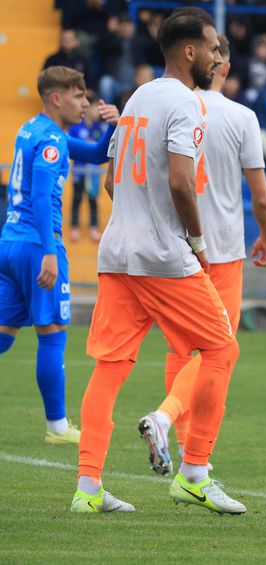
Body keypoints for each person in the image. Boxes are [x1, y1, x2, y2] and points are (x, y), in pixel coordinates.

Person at [70, 8, 243, 515]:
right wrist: (197, 242)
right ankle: (194, 473)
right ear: (190, 51)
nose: (217, 55)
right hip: (164, 256)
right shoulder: (186, 104)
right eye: (212, 47)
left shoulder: (136, 98)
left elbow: (107, 181)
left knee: (110, 368)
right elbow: (180, 182)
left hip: (116, 252)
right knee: (221, 349)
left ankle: (87, 488)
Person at [136, 34, 266, 477]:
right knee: (219, 349)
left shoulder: (167, 107)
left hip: (177, 249)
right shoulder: (240, 117)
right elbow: (261, 195)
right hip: (223, 251)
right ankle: (175, 430)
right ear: (226, 68)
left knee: (182, 350)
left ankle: (179, 448)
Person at [0, 66, 116, 446]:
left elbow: (98, 153)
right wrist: (50, 251)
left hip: (10, 242)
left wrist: (112, 125)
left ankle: (58, 425)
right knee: (52, 337)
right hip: (38, 246)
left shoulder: (30, 128)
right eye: (78, 96)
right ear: (56, 98)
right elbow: (39, 196)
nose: (85, 104)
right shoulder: (51, 140)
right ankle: (57, 426)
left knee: (4, 333)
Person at [67, 91, 110, 243]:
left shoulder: (99, 127)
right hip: (79, 172)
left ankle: (94, 227)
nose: (97, 111)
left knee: (93, 200)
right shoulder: (76, 127)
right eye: (94, 108)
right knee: (77, 199)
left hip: (93, 173)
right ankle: (74, 227)